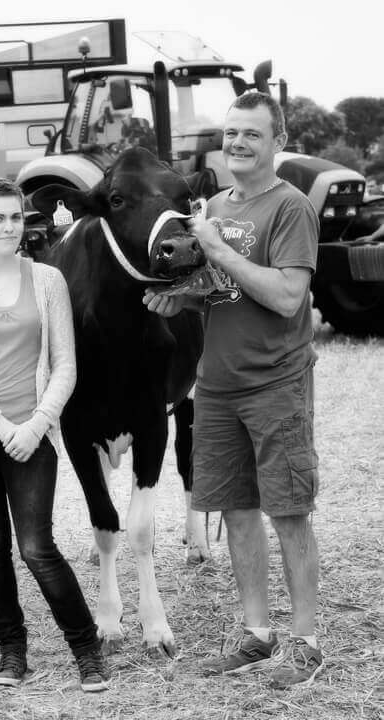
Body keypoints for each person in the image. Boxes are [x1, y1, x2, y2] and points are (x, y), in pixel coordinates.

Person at [144, 92, 323, 688]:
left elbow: (288, 296)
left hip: (276, 383)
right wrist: (179, 296)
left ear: (276, 142)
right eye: (231, 133)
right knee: (237, 511)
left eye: (252, 133)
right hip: (215, 387)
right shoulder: (215, 205)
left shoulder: (291, 208)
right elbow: (218, 288)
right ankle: (257, 634)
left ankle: (305, 640)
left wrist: (217, 245)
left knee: (288, 512)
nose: (238, 143)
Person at [0, 177, 110, 692]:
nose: (9, 227)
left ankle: (85, 649)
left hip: (32, 434)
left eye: (16, 218)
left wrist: (34, 426)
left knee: (37, 547)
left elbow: (65, 366)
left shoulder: (47, 280)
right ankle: (12, 652)